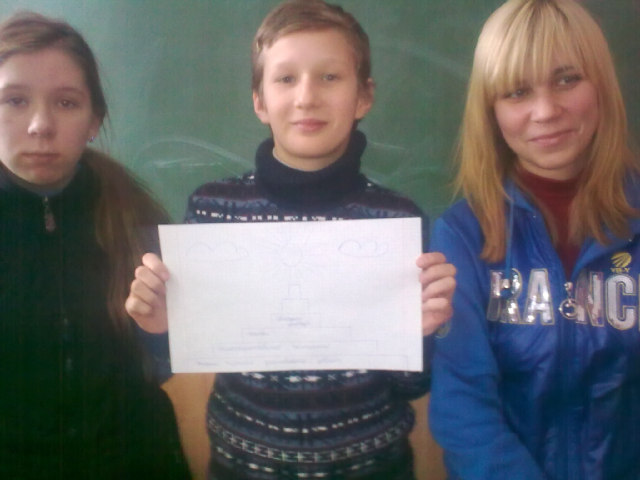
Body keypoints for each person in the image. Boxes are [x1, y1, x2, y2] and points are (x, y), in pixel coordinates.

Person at [126, 0, 456, 478]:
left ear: (364, 96)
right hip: (243, 466)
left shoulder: (396, 220)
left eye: (329, 77)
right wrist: (159, 329)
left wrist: (422, 333)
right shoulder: (214, 210)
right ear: (259, 100)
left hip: (371, 468)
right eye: (285, 78)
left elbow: (411, 384)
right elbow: (172, 361)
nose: (307, 97)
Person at [428, 0, 640, 478]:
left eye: (567, 80)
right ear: (491, 110)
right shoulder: (462, 234)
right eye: (518, 91)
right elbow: (464, 407)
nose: (545, 111)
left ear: (601, 85)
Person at [0, 11, 189, 478]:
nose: (40, 125)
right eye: (15, 100)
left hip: (135, 465)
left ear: (93, 120)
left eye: (66, 103)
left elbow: (169, 366)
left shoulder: (135, 216)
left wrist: (163, 333)